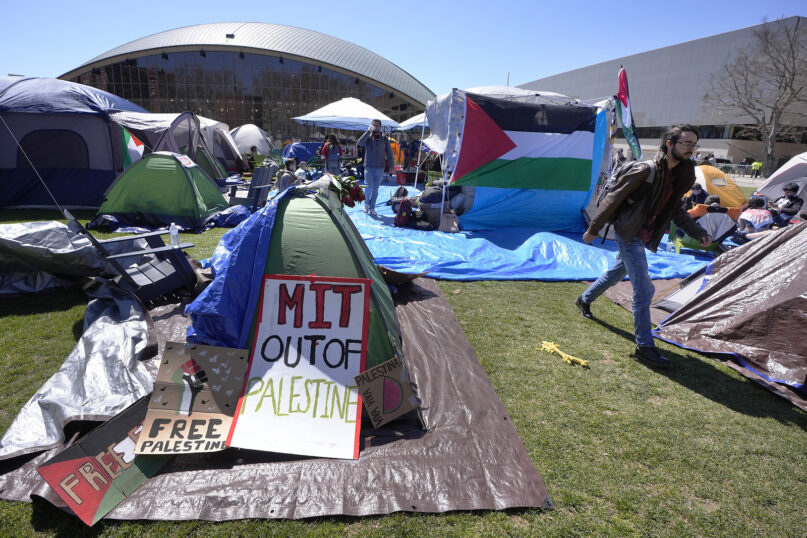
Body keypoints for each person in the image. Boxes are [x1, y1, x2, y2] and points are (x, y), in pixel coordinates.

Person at [577, 125, 712, 368]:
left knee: (616, 273)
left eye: (694, 144)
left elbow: (675, 210)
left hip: (643, 234)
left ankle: (584, 299)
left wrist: (698, 232)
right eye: (686, 143)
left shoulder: (677, 175)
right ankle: (644, 347)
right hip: (629, 233)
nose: (692, 149)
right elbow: (613, 199)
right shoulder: (645, 169)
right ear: (669, 143)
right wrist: (594, 229)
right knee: (645, 290)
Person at [357, 119, 393, 216]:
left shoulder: (384, 138)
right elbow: (360, 143)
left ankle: (372, 207)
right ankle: (366, 205)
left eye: (377, 125)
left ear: (380, 127)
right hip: (369, 166)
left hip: (380, 167)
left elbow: (389, 153)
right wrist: (368, 131)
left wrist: (391, 166)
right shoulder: (368, 136)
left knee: (375, 189)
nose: (375, 127)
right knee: (368, 187)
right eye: (373, 125)